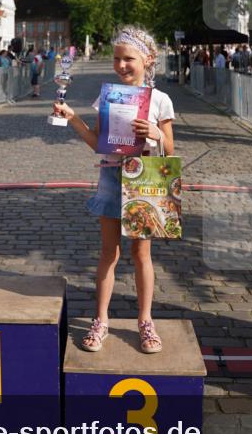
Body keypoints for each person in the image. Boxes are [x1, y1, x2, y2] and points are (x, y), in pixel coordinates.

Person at [52, 25, 175, 355]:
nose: (121, 65)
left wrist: (155, 133)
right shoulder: (108, 96)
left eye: (128, 59)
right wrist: (72, 117)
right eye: (117, 59)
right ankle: (101, 319)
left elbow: (170, 149)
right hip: (111, 176)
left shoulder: (160, 100)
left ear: (148, 60)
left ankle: (145, 320)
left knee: (141, 254)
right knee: (109, 252)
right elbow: (98, 143)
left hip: (146, 177)